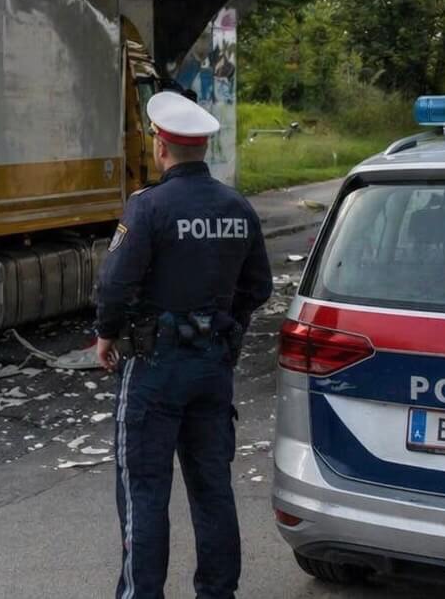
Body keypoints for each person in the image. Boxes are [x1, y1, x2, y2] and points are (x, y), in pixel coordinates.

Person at [94, 91, 273, 599]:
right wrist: (227, 332)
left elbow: (114, 284)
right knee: (212, 488)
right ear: (202, 147)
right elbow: (258, 287)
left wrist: (107, 334)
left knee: (145, 492)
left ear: (161, 145)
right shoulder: (237, 207)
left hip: (155, 367)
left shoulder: (148, 207)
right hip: (213, 366)